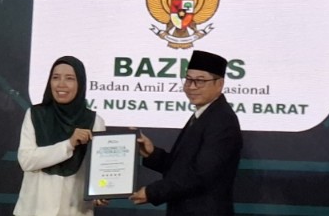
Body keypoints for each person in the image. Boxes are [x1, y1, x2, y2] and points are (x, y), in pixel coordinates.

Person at [130, 50, 243, 215]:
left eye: (200, 81)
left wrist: (152, 192)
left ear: (219, 84)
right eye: (188, 79)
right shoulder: (204, 115)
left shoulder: (222, 121)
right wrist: (151, 153)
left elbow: (201, 174)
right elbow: (182, 168)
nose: (191, 87)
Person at [14, 56, 107, 216]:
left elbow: (100, 171)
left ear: (80, 83)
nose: (61, 84)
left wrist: (102, 190)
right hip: (34, 210)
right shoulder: (35, 115)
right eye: (56, 77)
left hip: (75, 210)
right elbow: (26, 161)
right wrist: (69, 144)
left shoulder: (94, 121)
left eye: (70, 78)